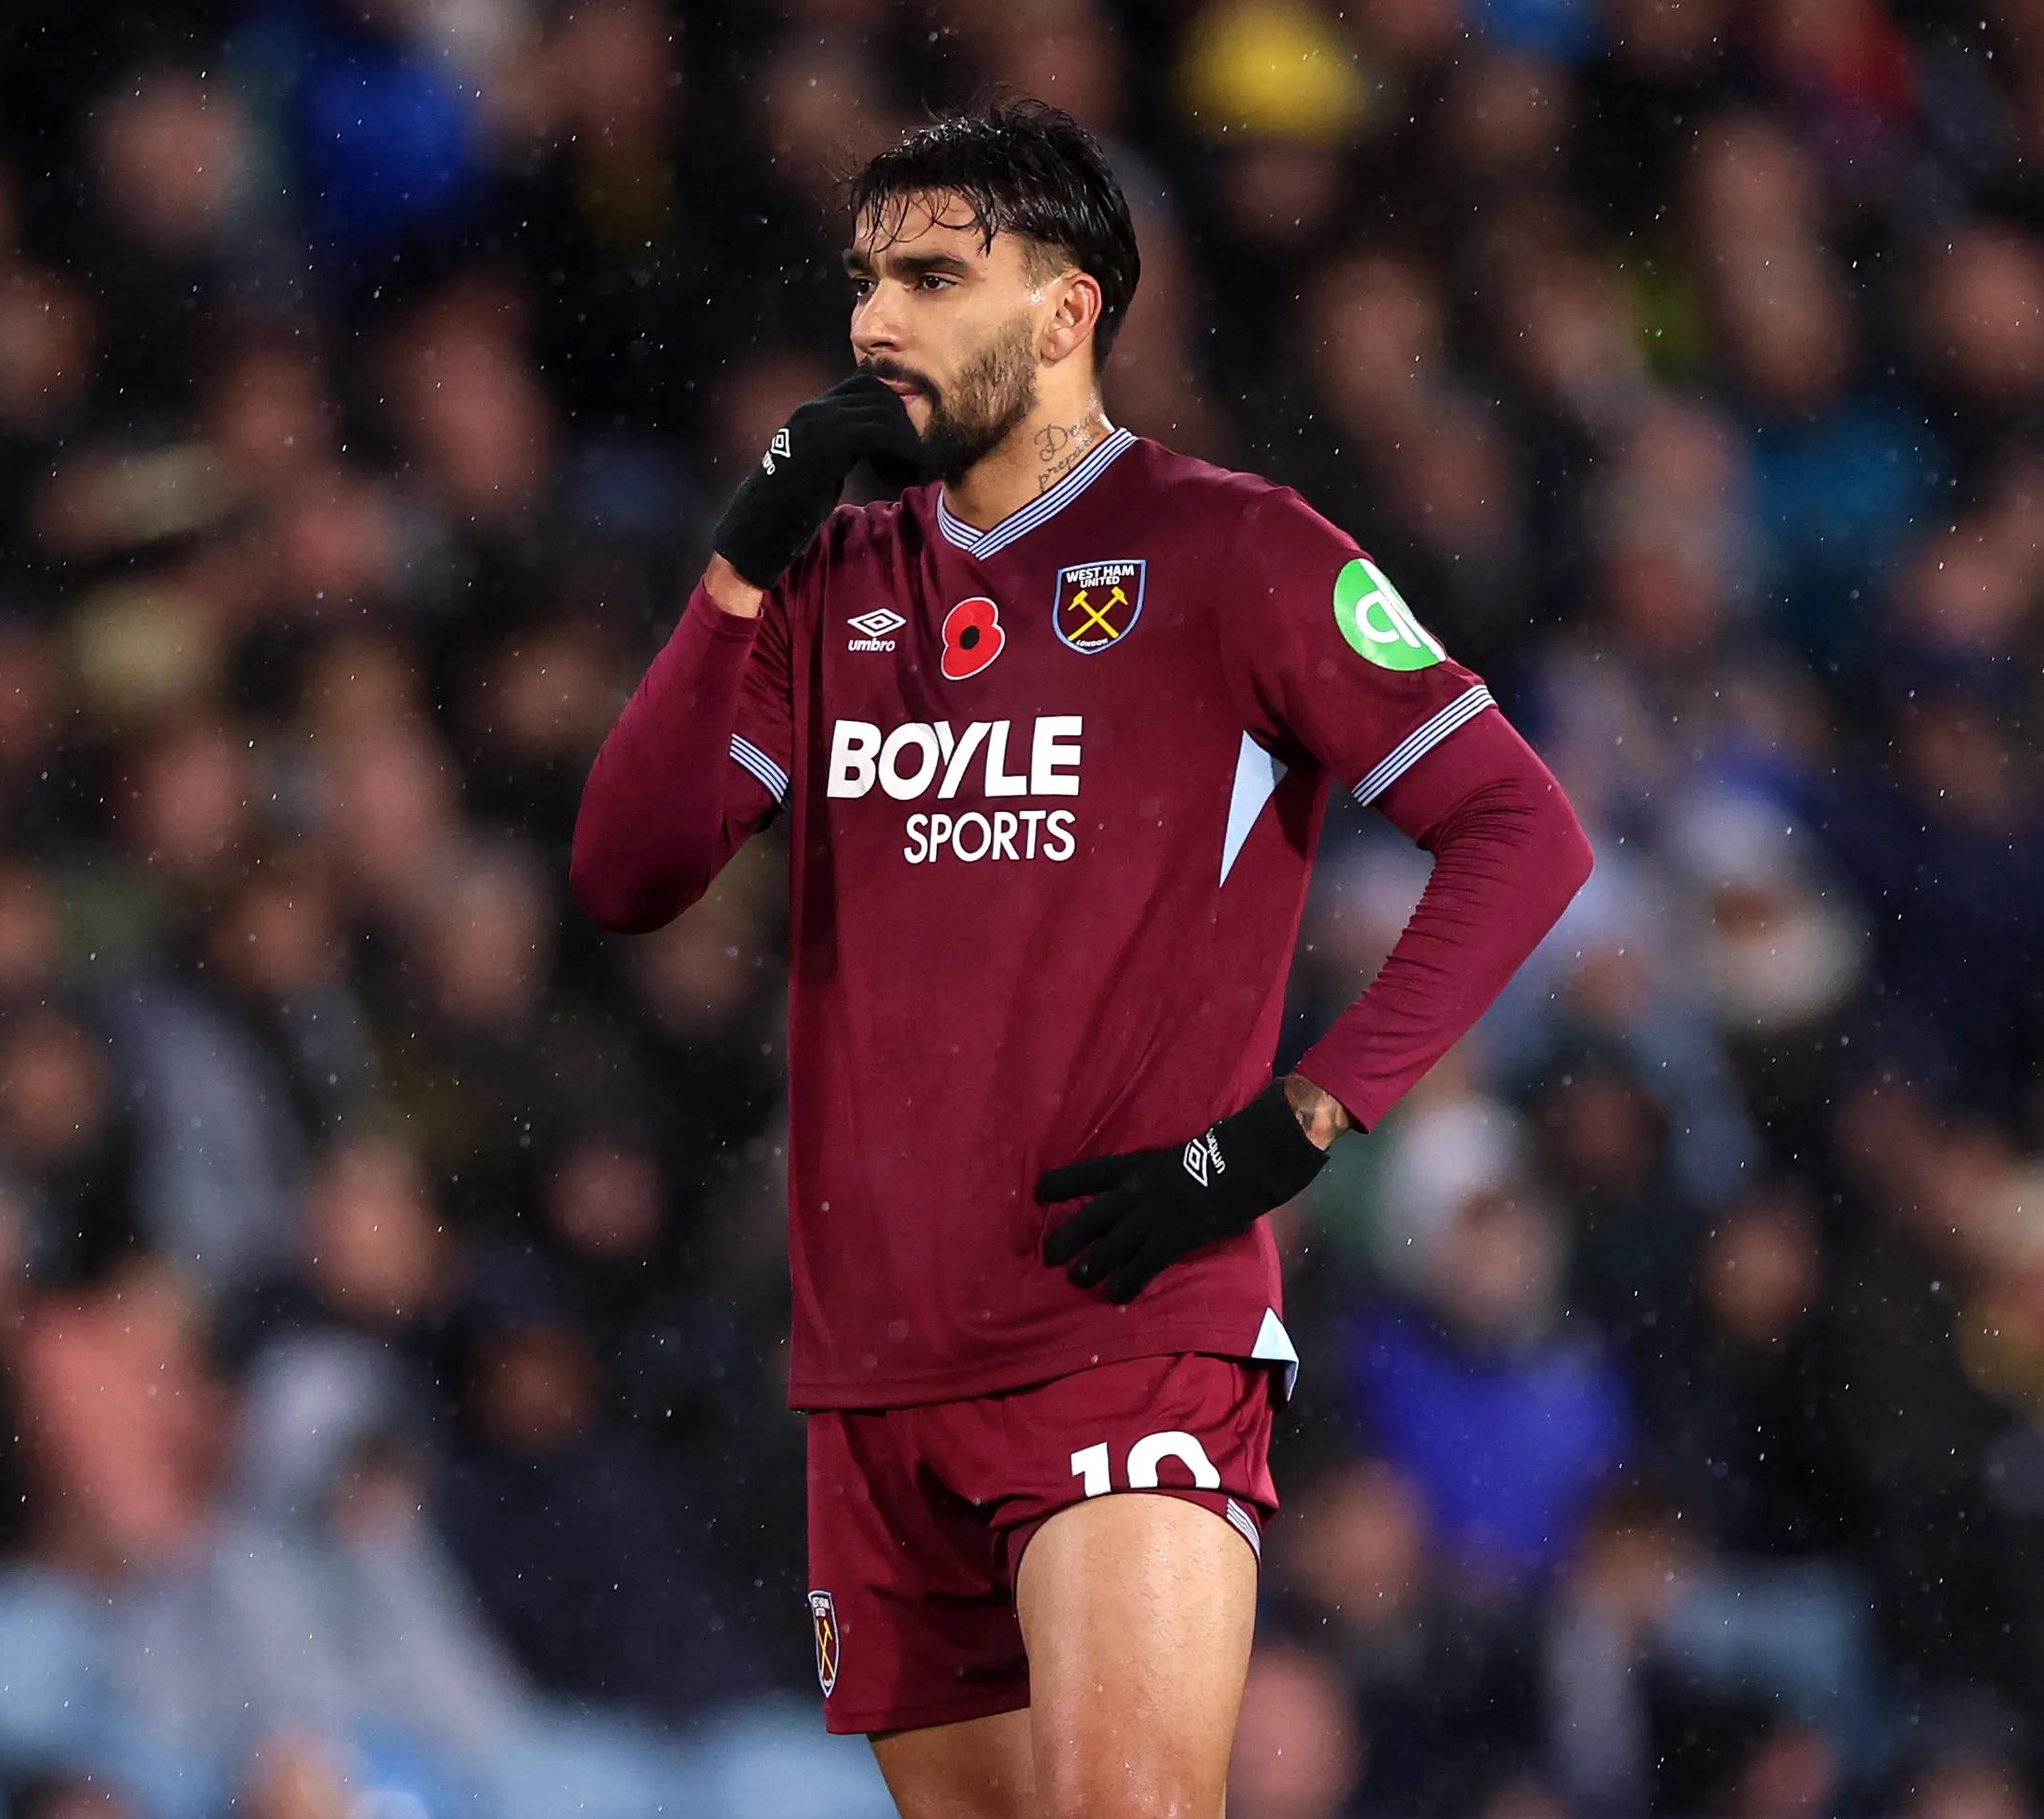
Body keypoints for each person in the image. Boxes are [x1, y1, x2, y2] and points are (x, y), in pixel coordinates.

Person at [571, 99, 1592, 1819]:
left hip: (1127, 1326)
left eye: (929, 276)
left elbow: (1523, 833)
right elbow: (626, 869)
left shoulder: (1235, 550)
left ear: (1065, 312)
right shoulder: (830, 585)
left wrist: (1295, 1126)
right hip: (875, 1367)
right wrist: (745, 558)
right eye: (861, 281)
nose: (872, 321)